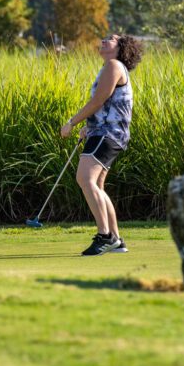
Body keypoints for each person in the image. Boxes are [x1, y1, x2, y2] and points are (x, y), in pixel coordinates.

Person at [61, 34, 143, 256]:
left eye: (112, 39)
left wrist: (71, 122)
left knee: (85, 178)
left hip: (108, 134)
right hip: (105, 132)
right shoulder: (109, 67)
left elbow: (98, 100)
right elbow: (106, 106)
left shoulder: (114, 65)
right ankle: (115, 239)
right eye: (104, 38)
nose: (105, 40)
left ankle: (104, 236)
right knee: (96, 183)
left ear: (121, 48)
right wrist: (90, 125)